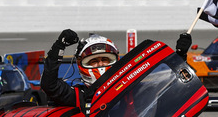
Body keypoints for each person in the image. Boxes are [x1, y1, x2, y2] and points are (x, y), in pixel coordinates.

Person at [41, 29, 192, 112]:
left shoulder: (131, 91)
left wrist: (179, 56)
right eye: (93, 61)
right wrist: (58, 47)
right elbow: (49, 85)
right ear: (81, 65)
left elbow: (171, 87)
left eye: (105, 59)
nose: (100, 64)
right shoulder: (78, 96)